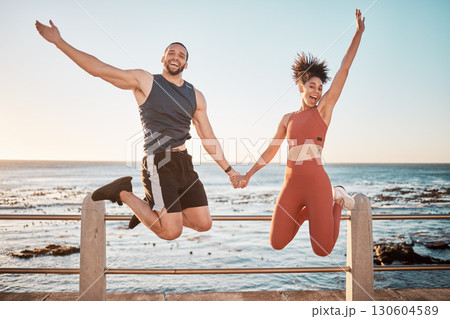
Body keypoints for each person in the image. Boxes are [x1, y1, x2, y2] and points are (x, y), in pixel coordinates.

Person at [35, 20, 240, 240]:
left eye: (181, 55)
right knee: (171, 231)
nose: (176, 57)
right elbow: (99, 69)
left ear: (186, 64)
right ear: (163, 58)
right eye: (171, 53)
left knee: (204, 223)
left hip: (184, 163)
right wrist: (59, 42)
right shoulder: (145, 81)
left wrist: (230, 171)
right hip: (159, 162)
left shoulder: (196, 95)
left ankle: (148, 214)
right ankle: (123, 193)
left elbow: (208, 138)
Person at [233, 9, 365, 256]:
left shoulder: (323, 110)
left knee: (322, 250)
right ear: (300, 86)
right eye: (312, 86)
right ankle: (316, 210)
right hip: (291, 184)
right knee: (277, 242)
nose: (317, 91)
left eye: (320, 87)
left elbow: (343, 70)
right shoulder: (287, 118)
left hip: (317, 183)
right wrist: (249, 174)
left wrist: (358, 33)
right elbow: (271, 150)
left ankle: (335, 199)